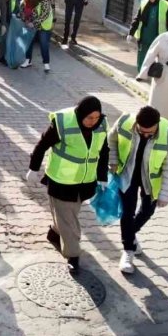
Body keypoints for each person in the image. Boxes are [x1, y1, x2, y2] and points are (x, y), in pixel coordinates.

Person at [28, 96, 109, 274]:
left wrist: (102, 176)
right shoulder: (63, 123)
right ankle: (73, 255)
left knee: (68, 215)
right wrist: (34, 169)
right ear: (81, 114)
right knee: (70, 221)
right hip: (61, 181)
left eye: (96, 117)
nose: (93, 122)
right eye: (89, 118)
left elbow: (103, 151)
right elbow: (42, 145)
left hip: (85, 181)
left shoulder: (102, 124)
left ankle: (55, 233)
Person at [107, 106, 168, 273]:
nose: (145, 135)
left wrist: (165, 194)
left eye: (150, 133)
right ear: (137, 124)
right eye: (142, 132)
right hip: (128, 175)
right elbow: (111, 140)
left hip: (151, 181)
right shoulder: (125, 121)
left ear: (157, 125)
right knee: (128, 212)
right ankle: (128, 251)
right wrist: (113, 160)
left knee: (147, 211)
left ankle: (130, 237)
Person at [127, 0, 168, 71]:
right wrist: (131, 33)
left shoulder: (164, 5)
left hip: (157, 36)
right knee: (142, 55)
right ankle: (141, 72)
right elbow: (137, 18)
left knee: (157, 56)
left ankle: (155, 72)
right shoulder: (144, 4)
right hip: (144, 35)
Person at [20, 0, 54, 73]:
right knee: (29, 41)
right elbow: (22, 9)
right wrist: (26, 20)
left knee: (44, 44)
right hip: (31, 23)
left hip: (44, 25)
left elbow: (45, 15)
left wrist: (33, 23)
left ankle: (46, 64)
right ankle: (28, 60)